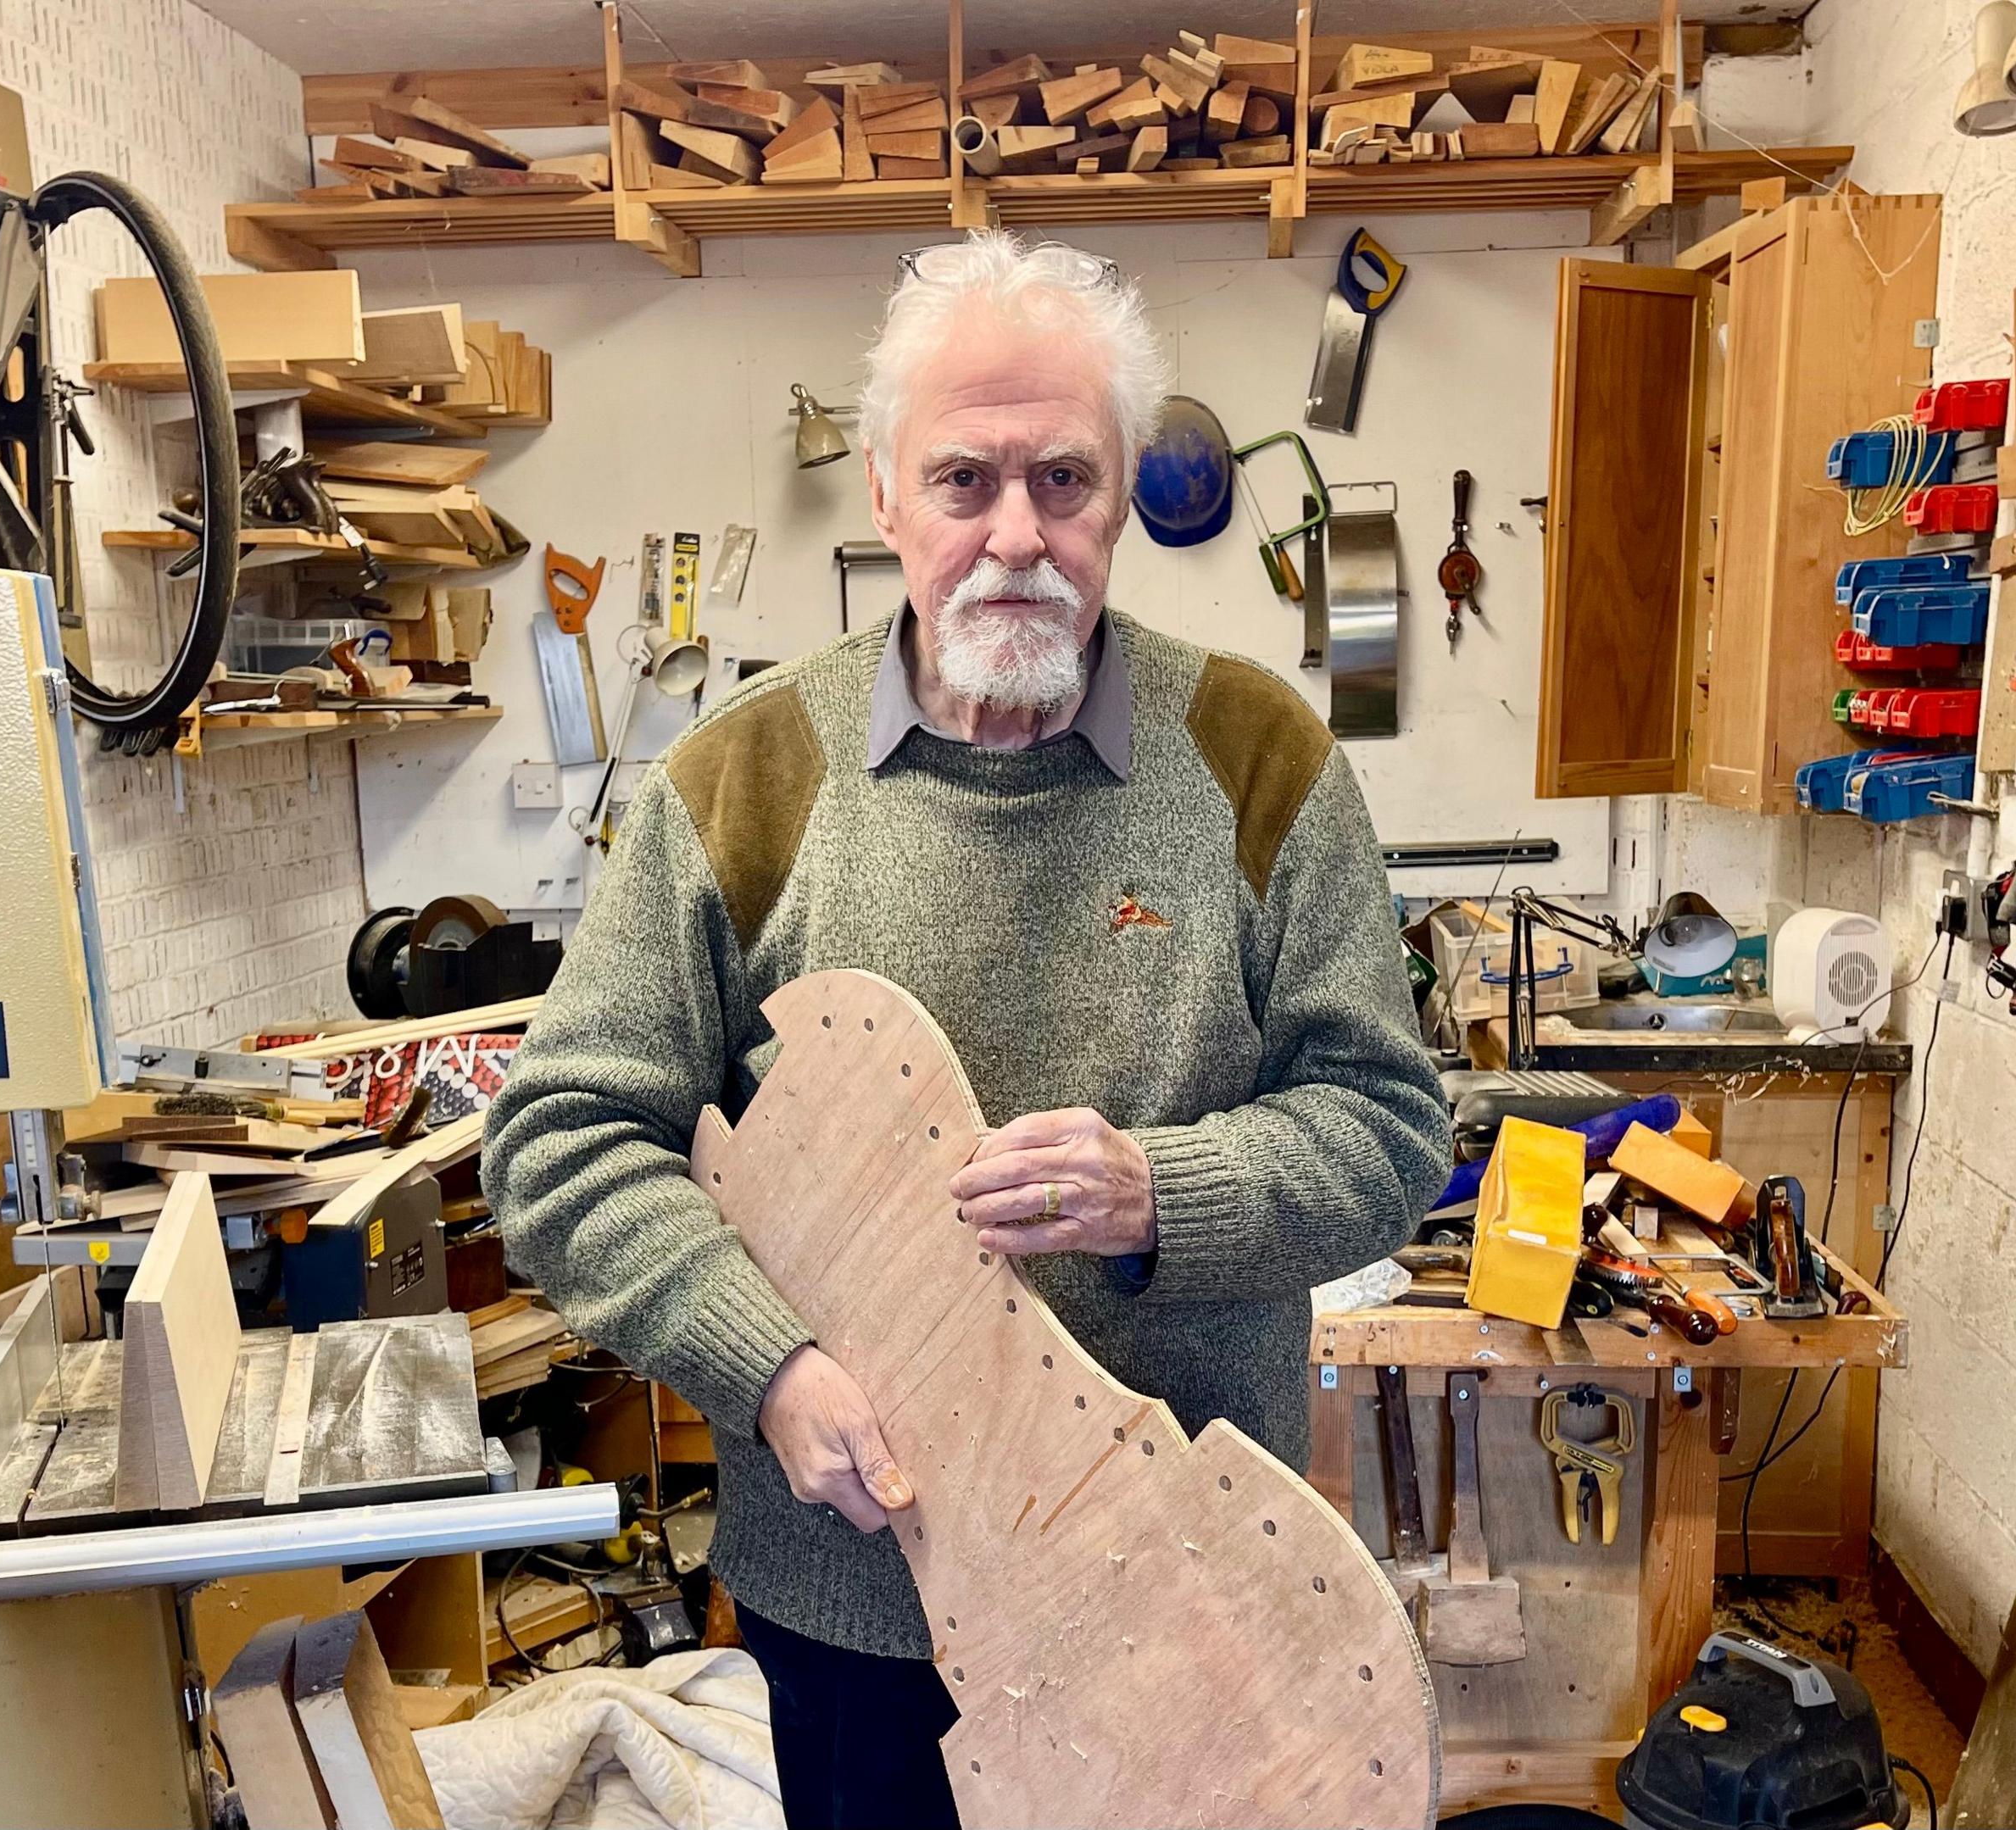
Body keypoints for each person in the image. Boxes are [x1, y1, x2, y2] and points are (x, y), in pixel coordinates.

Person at [486, 230, 1451, 1829]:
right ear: (883, 495)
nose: (1018, 536)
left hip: (1191, 1584)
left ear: (1127, 490)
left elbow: (1390, 1126)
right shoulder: (742, 784)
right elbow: (563, 1141)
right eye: (965, 483)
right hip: (863, 1605)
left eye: (1065, 482)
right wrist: (768, 1364)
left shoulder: (1262, 757)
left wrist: (1165, 1192)